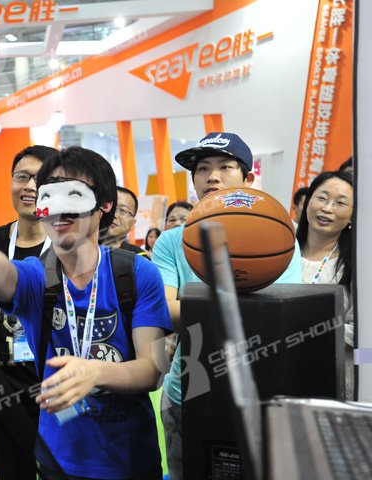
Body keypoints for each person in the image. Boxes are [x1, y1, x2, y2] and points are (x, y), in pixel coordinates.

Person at [0, 110, 172, 480]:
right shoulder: (35, 276)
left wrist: (95, 372)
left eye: (72, 191)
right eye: (50, 193)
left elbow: (152, 369)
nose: (58, 206)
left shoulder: (136, 273)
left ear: (104, 204)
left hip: (131, 460)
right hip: (59, 462)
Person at [152, 131, 302, 480]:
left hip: (261, 388)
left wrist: (195, 307)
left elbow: (282, 314)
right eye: (203, 168)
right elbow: (163, 311)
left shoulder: (278, 236)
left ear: (247, 179)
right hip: (187, 389)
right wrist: (240, 308)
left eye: (225, 167)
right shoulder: (171, 241)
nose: (212, 177)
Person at [0, 144, 56, 480]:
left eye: (41, 179)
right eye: (22, 177)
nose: (30, 186)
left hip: (55, 386)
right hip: (2, 389)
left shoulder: (67, 246)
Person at [296, 170, 354, 399]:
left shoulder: (357, 265)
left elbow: (362, 332)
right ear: (307, 203)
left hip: (334, 380)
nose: (327, 208)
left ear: (352, 215)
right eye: (322, 198)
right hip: (281, 370)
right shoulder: (279, 253)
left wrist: (306, 332)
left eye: (340, 203)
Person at [100, 186, 148, 258]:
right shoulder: (83, 249)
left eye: (122, 210)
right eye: (109, 207)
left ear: (132, 223)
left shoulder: (138, 257)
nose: (114, 215)